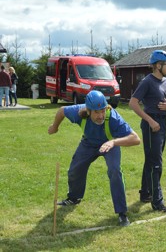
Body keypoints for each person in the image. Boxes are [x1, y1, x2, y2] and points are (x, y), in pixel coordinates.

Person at [48, 90, 140, 226]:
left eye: (102, 110)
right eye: (96, 112)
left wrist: (114, 142)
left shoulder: (113, 118)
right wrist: (55, 126)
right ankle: (74, 198)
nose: (101, 115)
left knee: (114, 170)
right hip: (88, 143)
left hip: (109, 144)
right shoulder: (78, 112)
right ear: (88, 111)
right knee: (75, 169)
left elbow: (136, 139)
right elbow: (62, 110)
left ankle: (122, 213)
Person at [129, 50, 166, 214]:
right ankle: (158, 202)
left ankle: (145, 193)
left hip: (163, 123)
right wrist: (150, 121)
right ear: (158, 65)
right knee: (156, 163)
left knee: (151, 160)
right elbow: (133, 103)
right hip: (152, 125)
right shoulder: (147, 82)